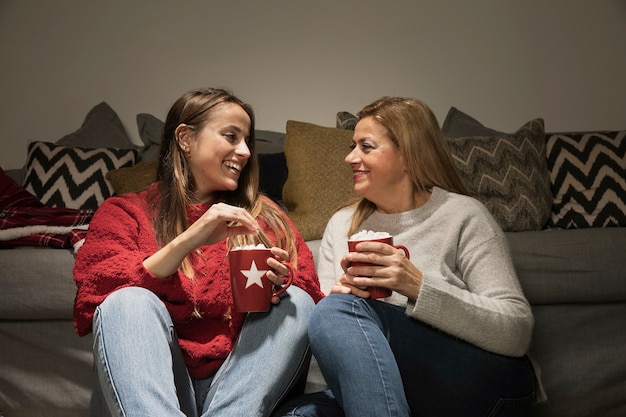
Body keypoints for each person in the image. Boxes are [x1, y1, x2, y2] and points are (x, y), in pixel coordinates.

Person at [273, 97, 539, 417]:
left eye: (366, 146)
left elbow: (517, 332)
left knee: (337, 311)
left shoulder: (463, 216)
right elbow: (331, 350)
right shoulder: (343, 224)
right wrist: (336, 303)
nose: (350, 157)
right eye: (352, 146)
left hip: (482, 382)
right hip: (383, 390)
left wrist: (417, 285)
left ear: (408, 155)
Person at [73, 88, 324, 417]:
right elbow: (95, 293)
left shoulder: (262, 217)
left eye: (247, 141)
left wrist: (279, 287)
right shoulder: (124, 213)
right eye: (231, 136)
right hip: (157, 390)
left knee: (298, 303)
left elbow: (309, 294)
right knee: (126, 301)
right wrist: (190, 239)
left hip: (239, 393)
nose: (245, 151)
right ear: (186, 139)